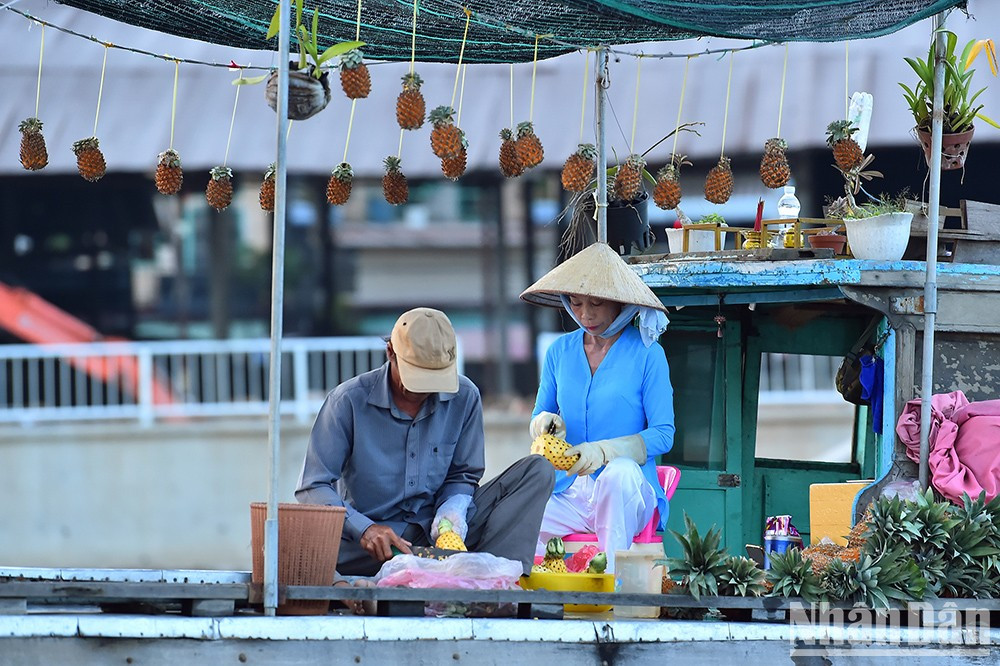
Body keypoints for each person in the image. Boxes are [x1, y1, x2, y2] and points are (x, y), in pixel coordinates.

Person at [296, 307, 554, 577]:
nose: (424, 390)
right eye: (416, 378)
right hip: (370, 549)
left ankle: (492, 584)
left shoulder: (465, 396)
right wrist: (364, 529)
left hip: (438, 541)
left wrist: (452, 509)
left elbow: (462, 475)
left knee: (537, 471)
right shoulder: (347, 401)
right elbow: (313, 486)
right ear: (390, 354)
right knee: (298, 551)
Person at [520, 242, 675, 572]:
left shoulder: (648, 354)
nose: (585, 314)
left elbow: (664, 435)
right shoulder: (559, 352)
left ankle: (609, 584)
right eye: (575, 303)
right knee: (517, 514)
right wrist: (545, 425)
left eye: (596, 304)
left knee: (617, 475)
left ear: (620, 303)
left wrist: (606, 451)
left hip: (628, 490)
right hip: (571, 489)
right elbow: (538, 415)